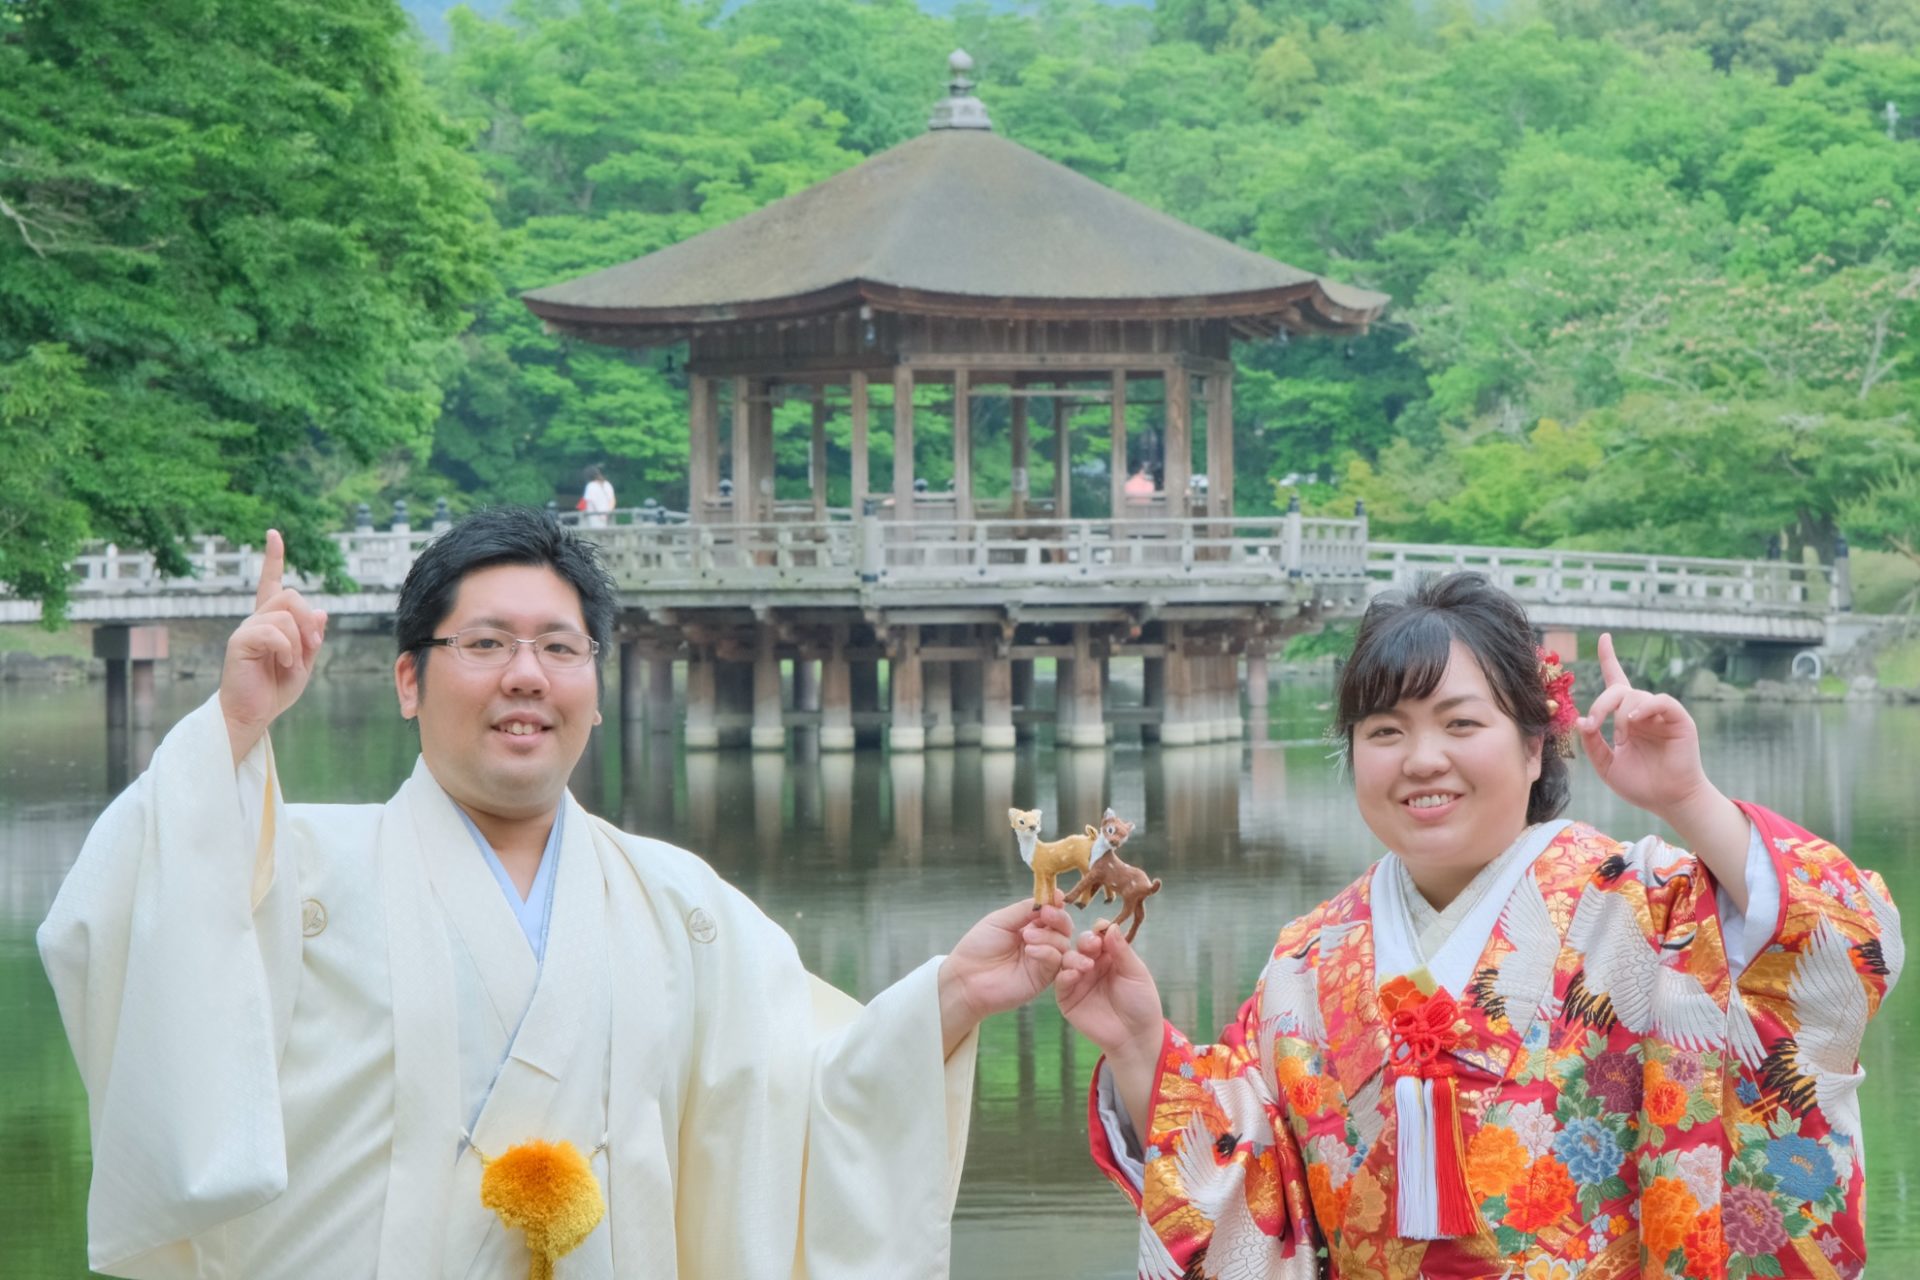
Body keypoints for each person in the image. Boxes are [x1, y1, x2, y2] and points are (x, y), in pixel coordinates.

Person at [40, 508, 1073, 1280]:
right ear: (410, 679)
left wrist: (951, 996)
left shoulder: (682, 904)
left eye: (560, 647)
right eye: (484, 643)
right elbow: (132, 933)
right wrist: (230, 726)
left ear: (596, 681)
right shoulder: (295, 871)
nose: (525, 674)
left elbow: (801, 1108)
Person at [1056, 573, 1901, 1279]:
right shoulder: (1306, 964)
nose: (1423, 760)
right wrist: (1137, 1048)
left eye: (1462, 724)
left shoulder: (1643, 906)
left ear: (1536, 746)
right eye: (1385, 732)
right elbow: (1255, 1192)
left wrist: (1689, 801)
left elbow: (1841, 941)